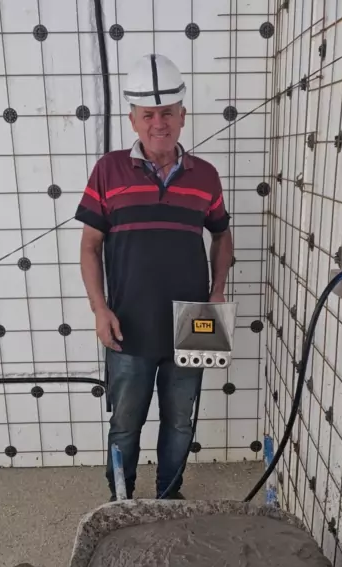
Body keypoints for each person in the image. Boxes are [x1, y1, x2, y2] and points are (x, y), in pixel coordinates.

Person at [76, 54, 233, 500]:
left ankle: (169, 496)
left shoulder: (206, 176)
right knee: (125, 422)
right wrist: (100, 309)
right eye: (148, 114)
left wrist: (217, 293)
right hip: (127, 322)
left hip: (196, 320)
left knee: (181, 420)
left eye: (167, 113)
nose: (158, 123)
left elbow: (222, 236)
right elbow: (89, 247)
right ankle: (121, 500)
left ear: (183, 115)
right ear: (133, 119)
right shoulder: (108, 170)